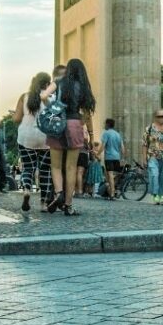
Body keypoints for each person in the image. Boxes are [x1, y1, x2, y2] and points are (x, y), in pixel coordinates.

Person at [44, 58, 96, 215]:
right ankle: (68, 205)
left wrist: (54, 108)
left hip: (58, 123)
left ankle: (59, 193)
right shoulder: (84, 87)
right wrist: (91, 135)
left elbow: (43, 96)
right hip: (75, 124)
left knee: (56, 166)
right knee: (71, 167)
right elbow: (86, 114)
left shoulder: (59, 82)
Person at [13, 71, 52, 213]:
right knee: (45, 171)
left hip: (26, 137)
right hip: (45, 139)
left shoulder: (24, 97)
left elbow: (17, 119)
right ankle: (43, 204)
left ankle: (27, 190)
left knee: (28, 168)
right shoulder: (51, 98)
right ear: (48, 84)